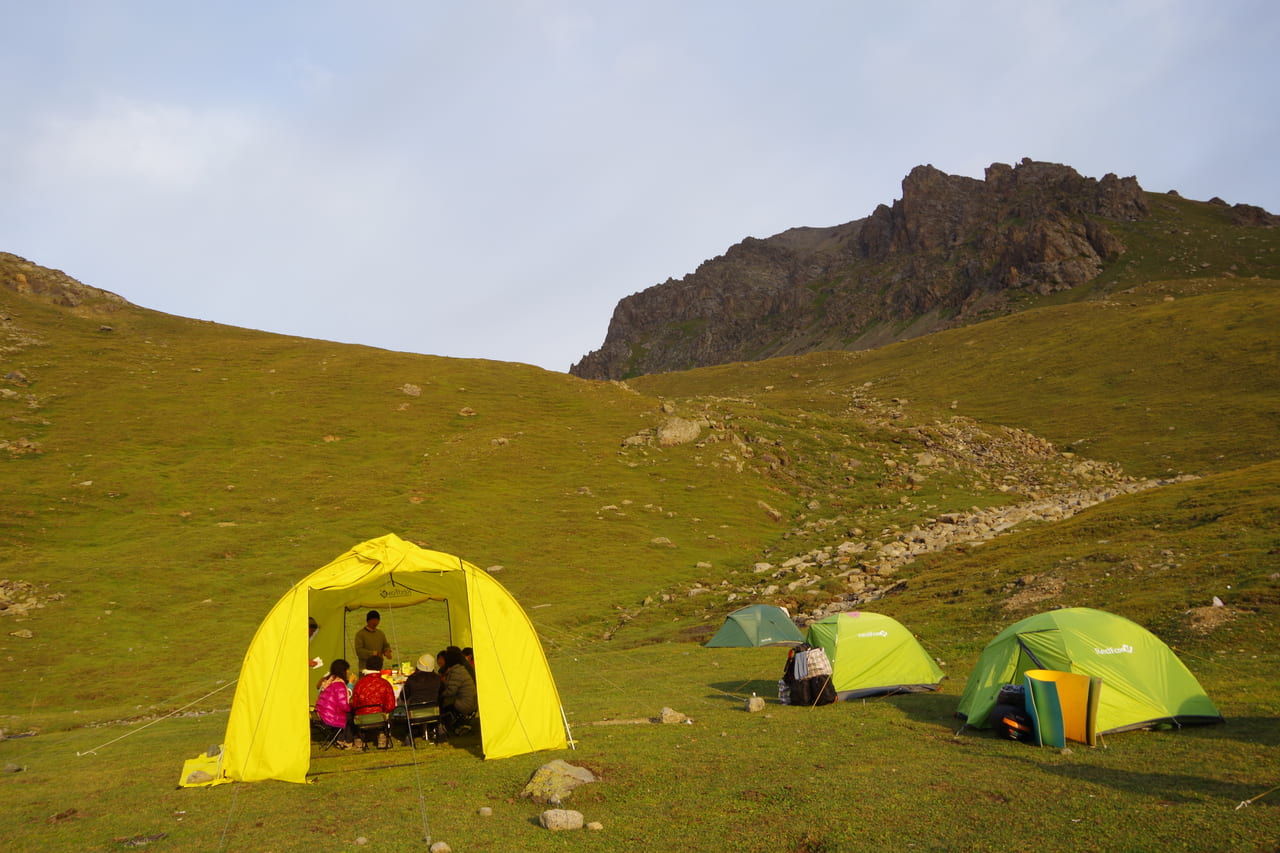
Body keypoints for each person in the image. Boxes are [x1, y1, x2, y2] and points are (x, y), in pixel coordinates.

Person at [350, 654, 397, 749]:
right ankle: (382, 735)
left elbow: (354, 704)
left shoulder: (359, 684)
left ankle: (359, 739)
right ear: (381, 667)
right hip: (380, 718)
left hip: (361, 718)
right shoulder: (385, 683)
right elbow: (391, 706)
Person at [438, 647, 478, 736]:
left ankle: (441, 726)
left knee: (442, 703)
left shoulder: (457, 672)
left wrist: (440, 694)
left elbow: (451, 691)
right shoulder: (459, 669)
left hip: (466, 704)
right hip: (470, 701)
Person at [314, 659, 353, 748]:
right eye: (347, 669)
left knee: (346, 714)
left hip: (321, 714)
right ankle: (348, 741)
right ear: (343, 670)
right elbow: (344, 705)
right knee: (350, 715)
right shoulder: (339, 684)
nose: (348, 671)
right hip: (329, 716)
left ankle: (341, 739)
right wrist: (350, 684)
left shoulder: (328, 681)